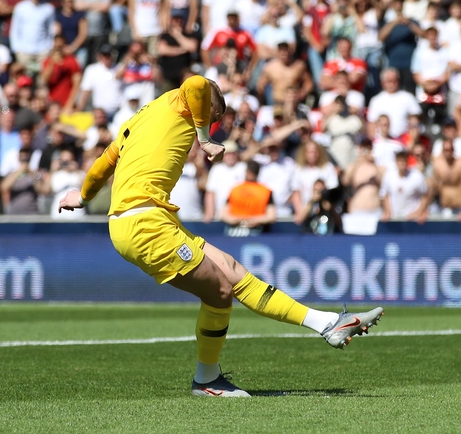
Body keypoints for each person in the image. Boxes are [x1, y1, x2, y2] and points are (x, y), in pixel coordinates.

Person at [58, 76, 384, 397]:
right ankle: (207, 380)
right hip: (143, 222)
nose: (210, 124)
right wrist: (203, 137)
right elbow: (197, 84)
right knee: (219, 292)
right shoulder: (179, 101)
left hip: (150, 218)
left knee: (231, 271)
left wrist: (83, 198)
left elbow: (104, 163)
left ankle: (327, 324)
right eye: (213, 117)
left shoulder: (140, 119)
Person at [221, 159, 276, 236]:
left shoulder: (235, 189)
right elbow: (224, 214)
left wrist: (244, 220)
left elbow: (271, 216)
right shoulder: (235, 189)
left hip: (254, 231)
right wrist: (249, 220)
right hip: (238, 230)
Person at [380, 150, 428, 221]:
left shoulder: (416, 176)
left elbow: (426, 196)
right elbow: (384, 194)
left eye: (404, 161)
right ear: (396, 162)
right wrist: (387, 211)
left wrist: (418, 212)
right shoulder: (389, 176)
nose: (402, 164)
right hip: (394, 218)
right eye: (400, 161)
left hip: (411, 219)